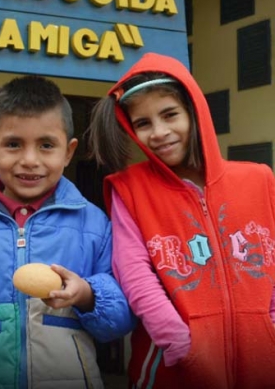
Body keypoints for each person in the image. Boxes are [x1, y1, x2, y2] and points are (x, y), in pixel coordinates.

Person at [0, 75, 135, 388]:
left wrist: (86, 296)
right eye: (13, 144)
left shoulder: (94, 226)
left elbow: (119, 323)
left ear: (68, 152)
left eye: (46, 145)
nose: (30, 160)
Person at [87, 52, 275, 388]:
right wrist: (182, 345)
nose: (159, 132)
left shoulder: (259, 179)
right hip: (172, 368)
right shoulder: (128, 188)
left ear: (195, 111)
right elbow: (135, 274)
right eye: (143, 123)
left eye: (169, 114)